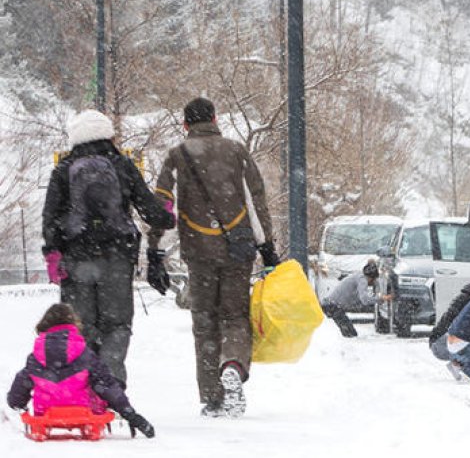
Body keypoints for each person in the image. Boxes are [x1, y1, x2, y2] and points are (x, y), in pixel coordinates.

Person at [146, 97, 280, 418]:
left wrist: (156, 251)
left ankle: (213, 396)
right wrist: (267, 246)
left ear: (185, 124)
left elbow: (165, 208)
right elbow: (255, 201)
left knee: (204, 322)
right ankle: (232, 363)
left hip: (199, 253)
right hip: (237, 250)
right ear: (215, 118)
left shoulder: (177, 157)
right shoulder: (236, 152)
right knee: (235, 316)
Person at [40, 109, 174, 386]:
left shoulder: (64, 169)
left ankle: (83, 385)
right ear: (108, 134)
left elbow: (50, 217)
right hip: (117, 257)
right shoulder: (122, 165)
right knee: (117, 324)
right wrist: (167, 214)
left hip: (76, 258)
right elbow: (151, 212)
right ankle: (110, 384)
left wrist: (53, 253)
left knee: (79, 326)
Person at [8, 303, 155, 438]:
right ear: (74, 325)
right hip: (84, 410)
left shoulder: (35, 357)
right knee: (102, 380)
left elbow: (18, 392)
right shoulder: (85, 354)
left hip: (46, 410)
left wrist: (17, 403)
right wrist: (128, 412)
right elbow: (107, 385)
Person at [321, 260, 392, 338]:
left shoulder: (358, 276)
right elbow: (365, 300)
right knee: (351, 335)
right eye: (375, 280)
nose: (374, 283)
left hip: (331, 305)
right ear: (371, 278)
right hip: (332, 307)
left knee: (350, 334)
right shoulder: (363, 280)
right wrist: (381, 298)